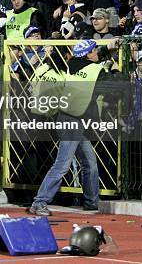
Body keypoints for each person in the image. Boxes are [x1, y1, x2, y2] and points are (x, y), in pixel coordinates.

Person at [29, 38, 121, 216]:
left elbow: (91, 58)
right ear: (88, 54)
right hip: (73, 122)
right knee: (63, 165)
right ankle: (39, 202)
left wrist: (106, 49)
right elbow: (114, 85)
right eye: (93, 51)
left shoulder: (73, 63)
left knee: (89, 163)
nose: (96, 53)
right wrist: (116, 68)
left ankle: (91, 202)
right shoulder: (95, 70)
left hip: (69, 119)